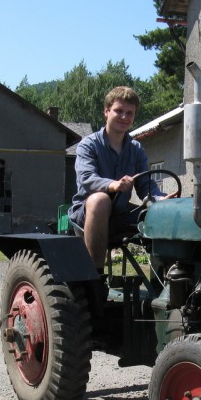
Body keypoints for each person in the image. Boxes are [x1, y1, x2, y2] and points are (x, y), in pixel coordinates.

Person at [70, 86, 167, 274]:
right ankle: (94, 276)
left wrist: (160, 198)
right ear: (106, 111)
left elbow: (145, 185)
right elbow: (87, 179)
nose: (124, 117)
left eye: (129, 113)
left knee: (165, 211)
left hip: (120, 213)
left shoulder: (136, 149)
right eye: (119, 111)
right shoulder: (88, 145)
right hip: (87, 213)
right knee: (100, 199)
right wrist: (112, 185)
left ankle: (166, 280)